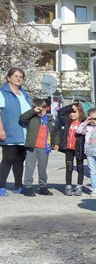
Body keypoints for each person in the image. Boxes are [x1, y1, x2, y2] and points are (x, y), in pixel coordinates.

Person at [0, 68, 32, 196]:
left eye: (21, 77)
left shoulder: (25, 94)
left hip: (24, 133)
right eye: (15, 76)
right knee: (8, 159)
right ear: (9, 78)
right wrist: (1, 129)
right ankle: (1, 186)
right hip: (10, 131)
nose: (18, 78)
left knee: (20, 159)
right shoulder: (3, 93)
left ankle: (18, 186)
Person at [19, 98, 54, 196]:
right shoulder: (32, 118)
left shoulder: (50, 119)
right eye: (39, 110)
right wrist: (33, 111)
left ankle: (43, 186)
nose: (41, 112)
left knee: (43, 168)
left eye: (43, 109)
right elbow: (22, 118)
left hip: (44, 147)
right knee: (30, 167)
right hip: (32, 146)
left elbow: (55, 132)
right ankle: (27, 186)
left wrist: (56, 142)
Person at [53, 103, 87, 196]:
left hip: (79, 147)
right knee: (69, 167)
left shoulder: (83, 122)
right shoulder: (67, 121)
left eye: (74, 112)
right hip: (68, 147)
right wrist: (70, 107)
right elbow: (60, 112)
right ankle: (68, 186)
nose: (72, 114)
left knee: (80, 167)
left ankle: (79, 186)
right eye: (70, 113)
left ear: (80, 112)